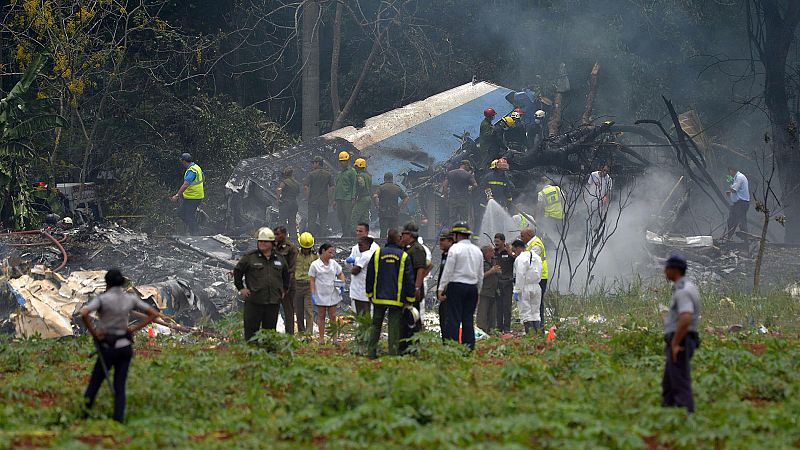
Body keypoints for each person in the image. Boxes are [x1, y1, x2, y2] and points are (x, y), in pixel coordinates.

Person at [80, 269, 158, 423]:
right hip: (125, 346)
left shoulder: (103, 299)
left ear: (107, 283)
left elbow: (84, 313)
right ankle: (118, 419)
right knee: (120, 385)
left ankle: (84, 416)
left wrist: (95, 333)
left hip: (108, 347)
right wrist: (132, 329)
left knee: (95, 382)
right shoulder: (129, 298)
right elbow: (153, 314)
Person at [234, 227, 291, 340]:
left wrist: (283, 291)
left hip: (272, 303)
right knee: (251, 334)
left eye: (265, 241)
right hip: (254, 301)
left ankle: (269, 355)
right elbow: (237, 271)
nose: (262, 243)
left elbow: (286, 276)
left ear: (272, 243)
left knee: (269, 334)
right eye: (260, 241)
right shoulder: (250, 258)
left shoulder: (279, 259)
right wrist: (241, 288)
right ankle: (252, 356)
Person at [365, 229, 415, 358]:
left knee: (376, 325)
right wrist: (410, 298)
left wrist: (369, 293)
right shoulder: (403, 256)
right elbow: (409, 279)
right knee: (394, 327)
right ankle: (393, 354)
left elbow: (370, 275)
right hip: (396, 299)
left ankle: (371, 353)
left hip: (378, 298)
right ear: (397, 239)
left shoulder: (377, 254)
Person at [661, 253, 701, 413]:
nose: (665, 272)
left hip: (682, 340)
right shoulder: (688, 287)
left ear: (674, 270)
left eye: (667, 268)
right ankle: (667, 412)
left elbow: (685, 317)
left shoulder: (683, 291)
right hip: (682, 338)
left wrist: (676, 343)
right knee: (669, 382)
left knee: (679, 380)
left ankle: (685, 415)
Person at [437, 222, 483, 350]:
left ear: (457, 235)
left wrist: (441, 289)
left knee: (454, 318)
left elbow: (448, 271)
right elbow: (480, 274)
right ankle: (468, 348)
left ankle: (454, 347)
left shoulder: (455, 249)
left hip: (456, 286)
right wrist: (478, 291)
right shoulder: (477, 250)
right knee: (468, 319)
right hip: (472, 287)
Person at [399, 222, 431, 351]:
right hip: (407, 288)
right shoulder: (408, 248)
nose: (402, 236)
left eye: (404, 234)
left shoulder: (417, 249)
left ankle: (414, 345)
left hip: (413, 289)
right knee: (407, 317)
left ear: (410, 235)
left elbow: (421, 269)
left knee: (414, 317)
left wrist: (417, 287)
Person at [309, 242, 346, 344]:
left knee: (333, 316)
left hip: (332, 293)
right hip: (320, 294)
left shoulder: (333, 263)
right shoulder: (315, 265)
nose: (331, 255)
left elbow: (340, 274)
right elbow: (312, 280)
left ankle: (334, 339)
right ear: (323, 251)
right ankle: (321, 339)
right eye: (329, 252)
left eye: (332, 252)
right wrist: (312, 293)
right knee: (321, 316)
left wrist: (342, 284)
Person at [511, 239, 543, 334]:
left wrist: (517, 290)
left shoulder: (520, 258)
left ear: (519, 248)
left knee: (525, 312)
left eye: (514, 250)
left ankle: (530, 335)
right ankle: (537, 334)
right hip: (536, 286)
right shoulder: (537, 257)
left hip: (525, 287)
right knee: (535, 312)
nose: (514, 253)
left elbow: (520, 275)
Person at [169, 153, 204, 235]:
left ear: (184, 161)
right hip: (193, 196)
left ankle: (195, 233)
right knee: (181, 213)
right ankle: (194, 229)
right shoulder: (196, 167)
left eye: (182, 161)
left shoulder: (191, 171)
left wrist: (177, 195)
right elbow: (203, 177)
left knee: (189, 215)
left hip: (193, 197)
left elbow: (186, 184)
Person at [521, 227, 549, 327]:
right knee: (533, 302)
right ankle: (534, 326)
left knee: (538, 303)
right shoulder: (530, 244)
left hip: (541, 277)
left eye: (522, 236)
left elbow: (529, 259)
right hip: (535, 278)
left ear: (529, 235)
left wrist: (515, 254)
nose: (521, 238)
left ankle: (539, 327)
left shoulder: (536, 245)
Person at [274, 226, 298, 335]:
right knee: (272, 311)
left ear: (284, 234)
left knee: (288, 311)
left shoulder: (291, 248)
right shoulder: (273, 248)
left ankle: (290, 335)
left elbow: (292, 269)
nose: (276, 237)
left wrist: (286, 285)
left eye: (278, 234)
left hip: (287, 285)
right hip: (275, 284)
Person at [304, 156, 334, 236]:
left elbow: (306, 187)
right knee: (323, 220)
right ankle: (322, 236)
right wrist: (330, 198)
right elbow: (332, 187)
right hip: (324, 201)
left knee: (311, 220)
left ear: (317, 163)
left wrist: (307, 198)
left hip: (313, 201)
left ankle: (311, 237)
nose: (312, 165)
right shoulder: (328, 174)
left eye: (314, 163)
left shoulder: (311, 174)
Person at [373, 172, 409, 237]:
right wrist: (401, 207)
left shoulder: (381, 187)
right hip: (394, 212)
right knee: (394, 232)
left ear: (384, 179)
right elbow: (406, 197)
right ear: (392, 179)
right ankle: (393, 245)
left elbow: (375, 196)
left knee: (383, 232)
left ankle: (382, 245)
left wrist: (377, 206)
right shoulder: (397, 188)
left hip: (383, 213)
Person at [349, 235, 378, 317]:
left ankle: (365, 329)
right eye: (358, 245)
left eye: (361, 245)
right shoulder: (368, 255)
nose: (359, 247)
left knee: (362, 314)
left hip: (361, 291)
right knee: (365, 313)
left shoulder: (366, 255)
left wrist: (352, 264)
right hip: (363, 290)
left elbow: (355, 271)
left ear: (367, 245)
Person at [294, 232, 317, 334]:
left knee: (309, 311)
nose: (306, 250)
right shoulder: (295, 255)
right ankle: (301, 332)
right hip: (297, 285)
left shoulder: (315, 256)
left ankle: (308, 334)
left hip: (309, 286)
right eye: (304, 248)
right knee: (299, 312)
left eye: (308, 248)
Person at [493, 233, 515, 333]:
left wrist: (510, 252)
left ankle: (507, 328)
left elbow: (517, 260)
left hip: (508, 282)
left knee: (507, 306)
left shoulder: (508, 252)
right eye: (495, 241)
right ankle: (499, 327)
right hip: (497, 283)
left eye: (498, 241)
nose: (496, 243)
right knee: (498, 306)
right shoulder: (494, 253)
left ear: (503, 241)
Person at [476, 245, 500, 332]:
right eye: (491, 251)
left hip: (493, 291)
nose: (493, 253)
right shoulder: (481, 263)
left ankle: (491, 331)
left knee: (492, 314)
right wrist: (491, 271)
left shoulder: (494, 261)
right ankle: (481, 331)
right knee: (482, 312)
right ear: (486, 253)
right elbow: (479, 276)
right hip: (484, 291)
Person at [333, 151, 357, 236]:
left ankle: (348, 234)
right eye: (341, 161)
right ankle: (344, 233)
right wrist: (335, 199)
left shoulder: (352, 172)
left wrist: (353, 197)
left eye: (344, 160)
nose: (343, 162)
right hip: (339, 198)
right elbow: (337, 187)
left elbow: (354, 185)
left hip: (347, 198)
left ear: (348, 161)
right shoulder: (339, 173)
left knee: (348, 217)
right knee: (341, 217)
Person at [436, 232, 455, 339]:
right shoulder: (445, 254)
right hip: (443, 295)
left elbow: (451, 275)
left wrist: (447, 291)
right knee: (443, 319)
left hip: (450, 295)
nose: (440, 242)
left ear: (450, 241)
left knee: (449, 321)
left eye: (443, 240)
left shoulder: (453, 255)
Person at [723, 166, 750, 239]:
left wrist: (730, 186)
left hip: (741, 204)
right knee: (731, 221)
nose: (729, 174)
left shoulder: (739, 177)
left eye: (730, 172)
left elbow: (734, 189)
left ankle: (745, 241)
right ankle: (729, 238)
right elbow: (735, 192)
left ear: (732, 170)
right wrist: (730, 193)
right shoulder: (736, 178)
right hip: (738, 204)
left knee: (741, 222)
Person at [277, 167, 300, 236]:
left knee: (282, 221)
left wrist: (278, 200)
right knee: (292, 222)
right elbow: (298, 193)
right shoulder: (296, 183)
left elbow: (279, 190)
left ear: (285, 174)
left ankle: (282, 237)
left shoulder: (284, 182)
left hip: (285, 203)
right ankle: (293, 238)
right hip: (294, 203)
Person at [351, 158, 373, 226]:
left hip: (362, 198)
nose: (355, 168)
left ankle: (353, 234)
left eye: (356, 167)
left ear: (358, 166)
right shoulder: (368, 176)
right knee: (365, 218)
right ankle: (364, 233)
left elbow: (362, 185)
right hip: (368, 198)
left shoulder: (360, 175)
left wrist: (357, 196)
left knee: (354, 216)